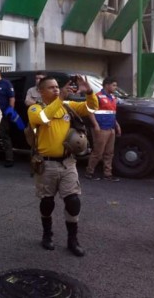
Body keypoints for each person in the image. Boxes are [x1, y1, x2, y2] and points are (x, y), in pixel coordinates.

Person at [27, 75, 98, 257]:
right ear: (41, 92)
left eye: (57, 87)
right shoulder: (35, 108)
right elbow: (43, 118)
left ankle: (72, 240)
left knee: (73, 201)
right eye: (51, 87)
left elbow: (92, 107)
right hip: (46, 164)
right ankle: (47, 234)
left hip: (68, 163)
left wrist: (89, 91)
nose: (56, 90)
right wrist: (60, 99)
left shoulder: (68, 107)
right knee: (47, 202)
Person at [85, 77, 121, 181]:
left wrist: (117, 125)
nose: (115, 87)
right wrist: (96, 125)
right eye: (114, 85)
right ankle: (89, 172)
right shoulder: (97, 97)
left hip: (110, 127)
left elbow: (112, 113)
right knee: (98, 152)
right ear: (107, 85)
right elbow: (90, 112)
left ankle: (107, 174)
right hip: (101, 128)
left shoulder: (113, 98)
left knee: (109, 152)